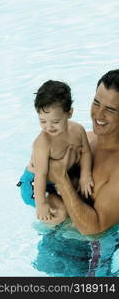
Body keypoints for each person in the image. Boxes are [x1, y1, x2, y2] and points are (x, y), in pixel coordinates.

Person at [47, 69, 119, 235]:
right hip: (53, 238)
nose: (98, 114)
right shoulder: (84, 139)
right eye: (96, 102)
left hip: (87, 254)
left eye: (110, 109)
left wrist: (61, 180)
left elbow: (94, 229)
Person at [17, 80, 94, 224]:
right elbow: (40, 175)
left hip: (57, 180)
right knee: (60, 213)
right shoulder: (42, 144)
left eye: (55, 121)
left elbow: (86, 153)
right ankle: (51, 233)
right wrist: (41, 205)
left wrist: (85, 176)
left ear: (69, 113)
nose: (49, 127)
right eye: (43, 121)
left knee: (84, 196)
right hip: (35, 185)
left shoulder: (78, 130)